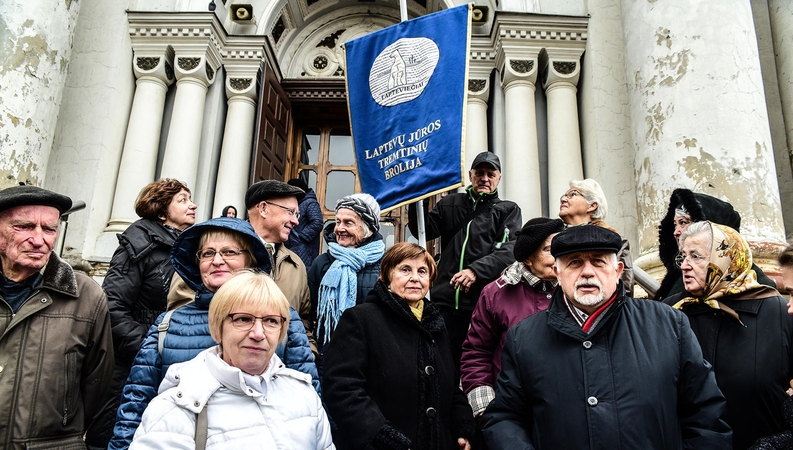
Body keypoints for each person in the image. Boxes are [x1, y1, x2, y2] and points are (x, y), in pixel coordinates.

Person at [482, 225, 732, 449]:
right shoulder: (523, 338)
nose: (587, 272)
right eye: (575, 262)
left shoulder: (669, 324)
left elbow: (706, 416)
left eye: (599, 262)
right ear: (558, 273)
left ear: (617, 270)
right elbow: (505, 418)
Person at [109, 217, 319, 449]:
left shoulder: (281, 317)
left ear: (250, 260)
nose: (217, 261)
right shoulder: (168, 323)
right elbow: (136, 402)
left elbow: (309, 399)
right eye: (207, 254)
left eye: (229, 252)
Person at [129, 271, 334, 449]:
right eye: (243, 319)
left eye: (271, 321)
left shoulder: (304, 395)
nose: (258, 333)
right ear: (218, 327)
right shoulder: (176, 408)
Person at [323, 242, 476, 450]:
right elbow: (342, 389)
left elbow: (450, 387)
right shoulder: (361, 319)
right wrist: (384, 437)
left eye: (422, 271)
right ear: (387, 276)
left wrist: (462, 428)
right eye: (405, 269)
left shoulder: (436, 325)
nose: (415, 277)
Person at [0, 184, 114, 449]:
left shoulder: (87, 296)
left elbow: (97, 383)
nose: (39, 240)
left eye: (49, 229)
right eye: (24, 227)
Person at [87, 178, 196, 448]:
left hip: (167, 362)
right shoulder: (137, 245)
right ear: (161, 211)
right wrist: (149, 346)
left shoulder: (186, 248)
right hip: (129, 366)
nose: (193, 205)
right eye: (182, 200)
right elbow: (111, 307)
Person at [665, 221, 793, 449]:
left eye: (696, 256)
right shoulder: (670, 313)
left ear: (727, 258)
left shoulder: (777, 311)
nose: (685, 265)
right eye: (683, 257)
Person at [168, 180, 315, 352]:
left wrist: (309, 351)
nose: (295, 221)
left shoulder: (297, 265)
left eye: (296, 214)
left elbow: (303, 319)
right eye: (290, 212)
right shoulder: (209, 256)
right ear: (263, 209)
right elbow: (180, 315)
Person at [408, 151, 521, 370]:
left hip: (481, 304)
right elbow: (424, 229)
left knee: (477, 366)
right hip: (443, 301)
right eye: (479, 172)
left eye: (491, 174)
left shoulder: (508, 210)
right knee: (440, 365)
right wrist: (414, 200)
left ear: (499, 178)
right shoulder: (450, 203)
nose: (484, 178)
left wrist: (475, 270)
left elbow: (510, 251)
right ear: (470, 175)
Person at [460, 217, 564, 419]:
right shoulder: (495, 294)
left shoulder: (575, 289)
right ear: (528, 259)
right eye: (549, 249)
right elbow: (476, 354)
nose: (559, 256)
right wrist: (487, 413)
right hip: (512, 412)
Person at [655, 188, 776, 301]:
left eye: (683, 223)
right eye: (675, 224)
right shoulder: (681, 284)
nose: (676, 232)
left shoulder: (760, 289)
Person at [309, 193, 385, 372]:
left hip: (374, 359)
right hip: (329, 358)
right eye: (337, 221)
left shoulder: (387, 265)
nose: (339, 228)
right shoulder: (322, 263)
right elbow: (308, 314)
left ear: (369, 228)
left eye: (348, 223)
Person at [557, 178, 634, 295]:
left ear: (592, 206)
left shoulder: (615, 241)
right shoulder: (552, 240)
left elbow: (624, 289)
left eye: (572, 194)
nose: (563, 199)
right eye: (564, 195)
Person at [286, 177, 324, 268]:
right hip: (292, 248)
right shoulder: (295, 204)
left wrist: (301, 237)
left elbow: (317, 222)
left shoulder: (310, 203)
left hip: (305, 250)